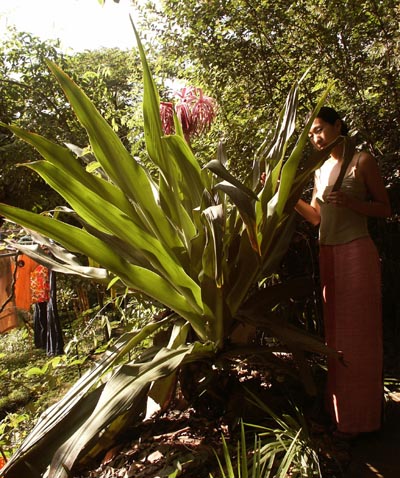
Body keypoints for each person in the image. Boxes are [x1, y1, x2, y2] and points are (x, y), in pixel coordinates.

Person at [296, 106, 391, 438]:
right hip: (328, 254)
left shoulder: (361, 161)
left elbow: (385, 208)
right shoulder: (320, 170)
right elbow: (317, 218)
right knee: (335, 338)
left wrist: (353, 204)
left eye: (320, 129)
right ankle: (340, 415)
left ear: (338, 126)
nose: (315, 137)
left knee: (359, 338)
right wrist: (288, 196)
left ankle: (362, 421)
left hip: (356, 253)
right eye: (311, 133)